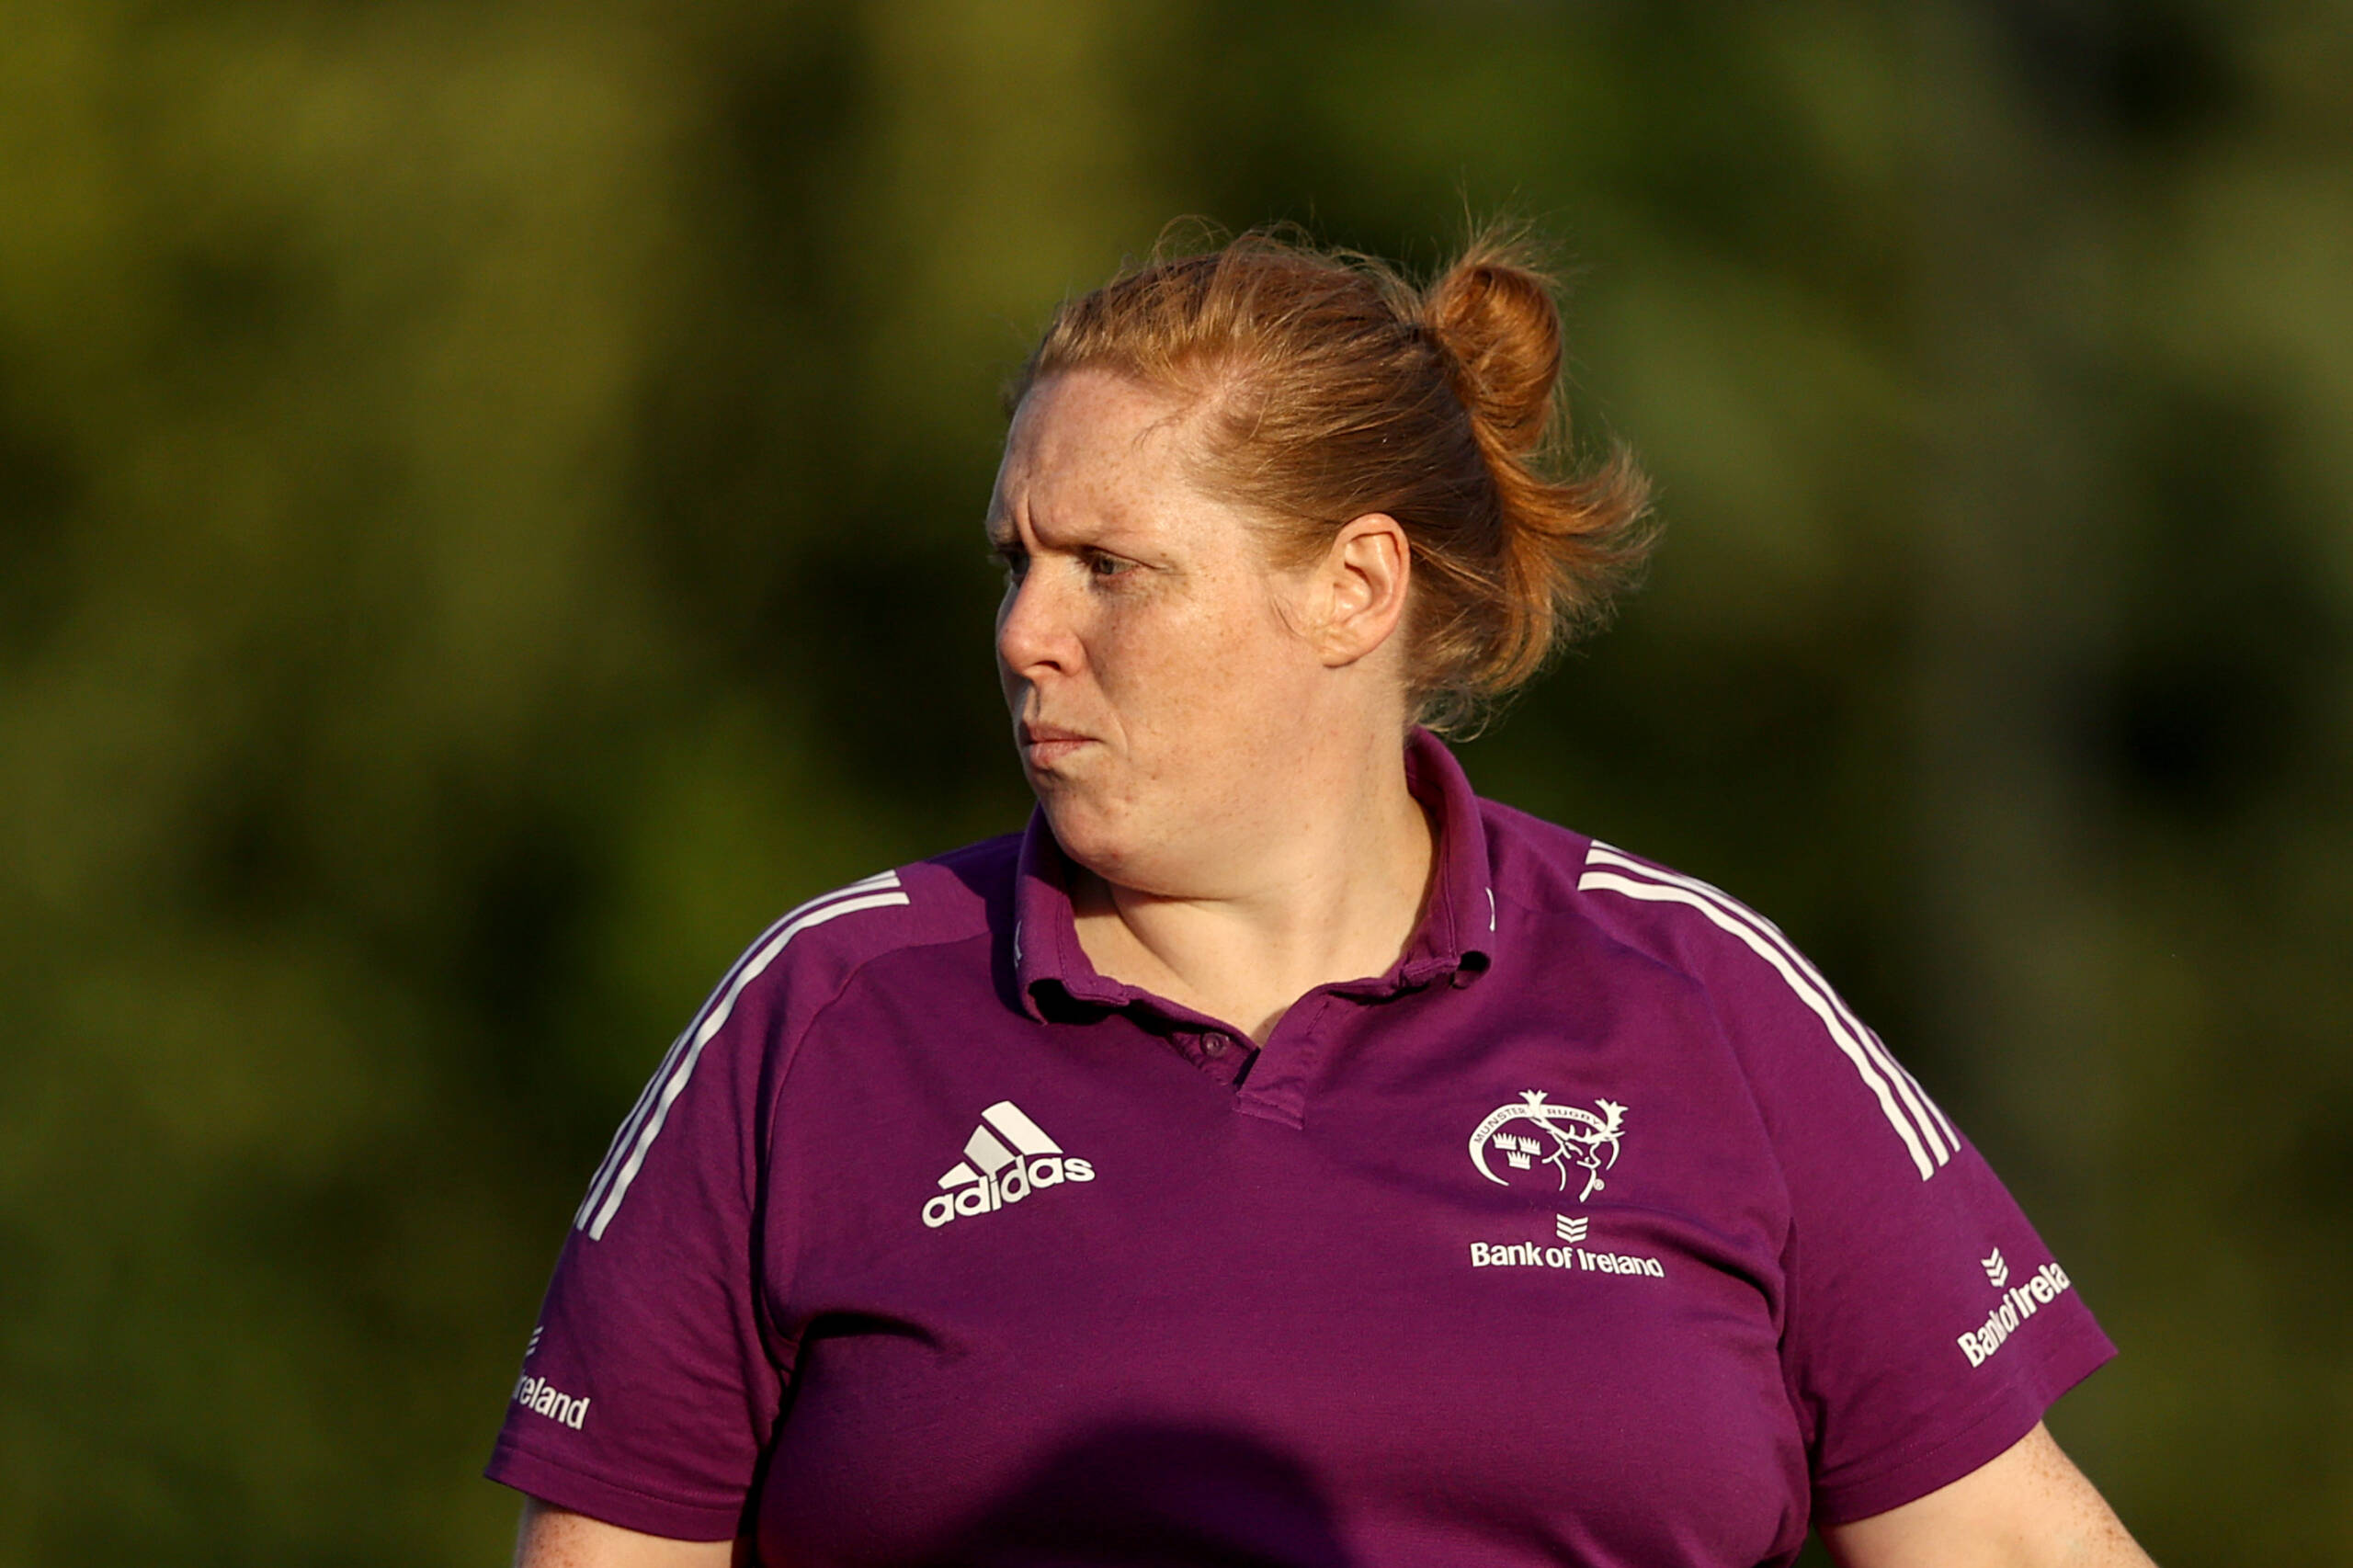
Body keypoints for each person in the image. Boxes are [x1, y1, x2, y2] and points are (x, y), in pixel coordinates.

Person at [489, 228, 2154, 1567]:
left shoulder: (1702, 993)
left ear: (1354, 586)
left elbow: (2007, 1536)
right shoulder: (823, 1014)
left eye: (1109, 567)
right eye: (1015, 561)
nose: (1025, 635)